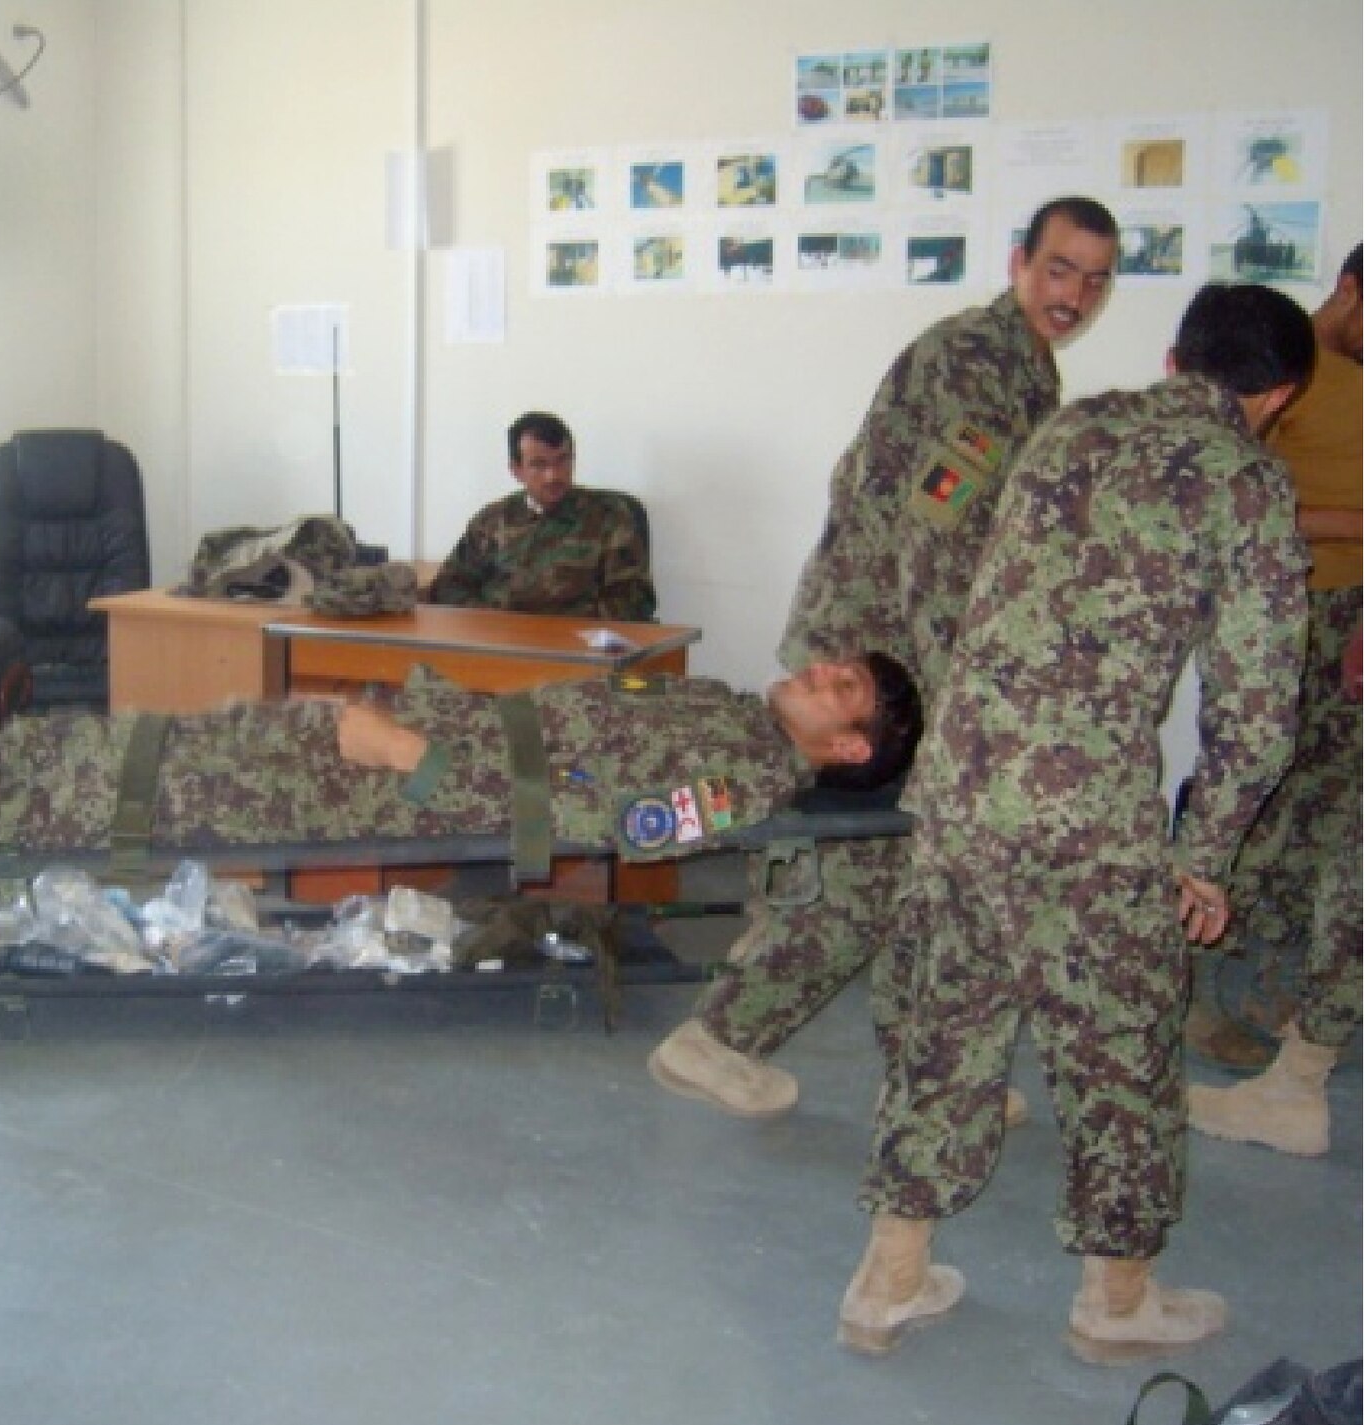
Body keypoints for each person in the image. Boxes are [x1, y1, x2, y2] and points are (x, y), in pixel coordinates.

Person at [840, 282, 1314, 1365]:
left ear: (1169, 357)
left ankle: (886, 1279)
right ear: (1274, 395)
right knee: (1119, 1053)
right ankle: (1115, 1302)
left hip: (960, 785)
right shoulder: (1246, 483)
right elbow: (1254, 706)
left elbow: (968, 572)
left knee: (945, 1030)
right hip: (1085, 816)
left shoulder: (1071, 427)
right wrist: (1202, 858)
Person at [649, 196, 1120, 1117]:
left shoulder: (1019, 367)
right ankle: (717, 1039)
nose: (1075, 295)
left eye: (1095, 280)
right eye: (1061, 269)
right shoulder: (979, 363)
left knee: (918, 870)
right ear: (1022, 259)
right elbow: (936, 541)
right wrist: (958, 704)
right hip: (873, 660)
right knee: (870, 878)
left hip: (884, 643)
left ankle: (929, 1071)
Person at [0, 647, 923, 872]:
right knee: (102, 745)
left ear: (848, 746)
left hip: (384, 764)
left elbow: (602, 830)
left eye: (844, 690)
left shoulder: (745, 780)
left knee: (92, 796)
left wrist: (411, 761)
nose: (821, 671)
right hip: (387, 735)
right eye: (833, 663)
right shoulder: (716, 703)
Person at [1186, 242, 1362, 1151]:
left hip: (1352, 615)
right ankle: (1193, 992)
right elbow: (1249, 501)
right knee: (1256, 808)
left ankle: (1288, 1017)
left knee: (1333, 824)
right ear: (1347, 289)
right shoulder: (1278, 364)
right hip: (1287, 611)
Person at [427, 412, 657, 621]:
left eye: (563, 461)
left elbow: (634, 600)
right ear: (516, 470)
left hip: (575, 648)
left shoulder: (610, 516)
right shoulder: (491, 521)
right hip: (499, 643)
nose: (553, 476)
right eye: (539, 464)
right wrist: (492, 621)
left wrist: (549, 626)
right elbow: (449, 585)